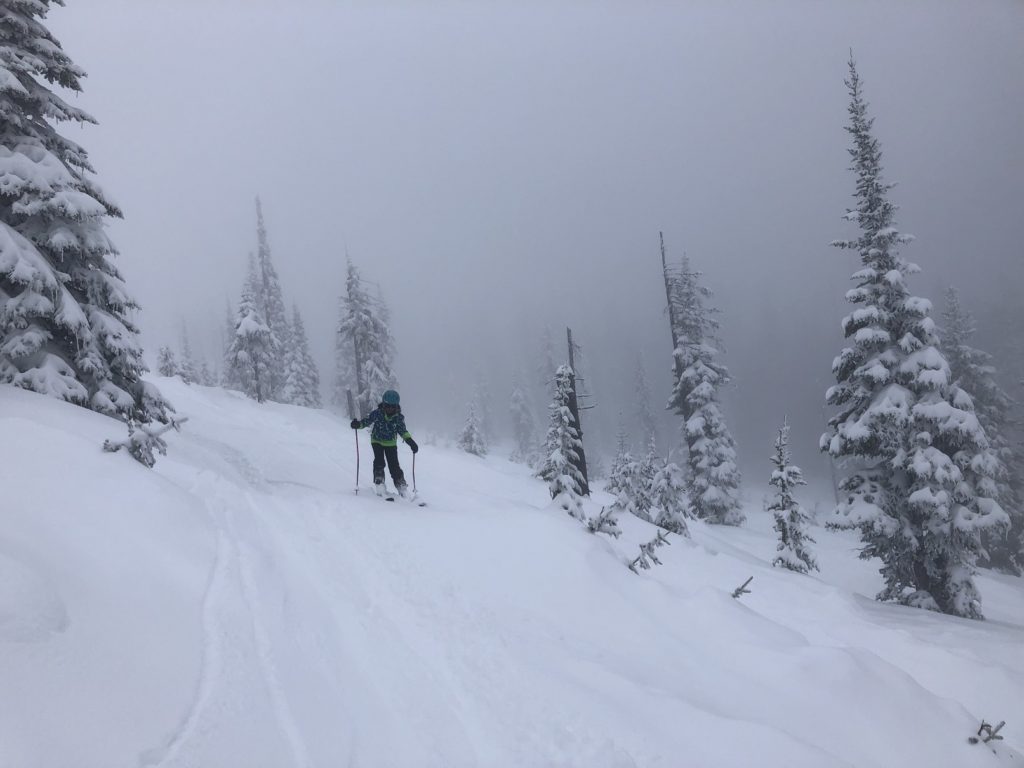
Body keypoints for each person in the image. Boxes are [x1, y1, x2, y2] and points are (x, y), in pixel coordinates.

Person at [351, 389, 419, 495]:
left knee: (394, 465)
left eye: (392, 407)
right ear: (383, 404)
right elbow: (366, 421)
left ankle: (401, 486)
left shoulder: (398, 418)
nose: (390, 409)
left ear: (396, 406)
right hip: (377, 441)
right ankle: (379, 481)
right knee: (379, 461)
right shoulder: (378, 413)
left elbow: (402, 431)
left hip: (391, 443)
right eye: (387, 406)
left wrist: (410, 441)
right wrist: (358, 425)